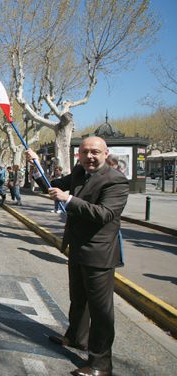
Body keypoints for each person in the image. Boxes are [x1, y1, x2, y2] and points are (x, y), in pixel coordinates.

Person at [26, 136, 129, 376]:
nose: (90, 157)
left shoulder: (116, 181)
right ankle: (75, 338)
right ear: (79, 155)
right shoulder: (79, 172)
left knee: (101, 311)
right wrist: (36, 165)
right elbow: (51, 186)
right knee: (78, 299)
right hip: (77, 247)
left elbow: (104, 214)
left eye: (95, 152)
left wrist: (69, 199)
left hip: (99, 253)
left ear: (105, 153)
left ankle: (101, 364)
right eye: (85, 152)